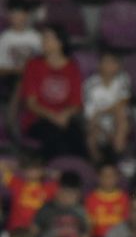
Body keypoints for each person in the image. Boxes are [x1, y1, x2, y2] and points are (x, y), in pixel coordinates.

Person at [16, 25, 85, 160]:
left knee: (77, 139)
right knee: (55, 140)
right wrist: (53, 116)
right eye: (43, 38)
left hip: (64, 119)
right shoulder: (33, 65)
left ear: (60, 42)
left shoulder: (72, 67)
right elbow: (31, 103)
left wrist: (65, 114)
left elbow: (76, 103)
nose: (43, 41)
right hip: (38, 120)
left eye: (47, 38)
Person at [83, 50, 131, 163]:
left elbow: (123, 102)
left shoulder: (123, 79)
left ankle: (119, 155)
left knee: (121, 116)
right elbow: (91, 113)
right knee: (92, 131)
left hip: (117, 121)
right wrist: (104, 129)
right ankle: (96, 162)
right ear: (99, 65)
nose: (110, 66)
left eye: (113, 63)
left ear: (118, 66)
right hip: (97, 122)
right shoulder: (90, 83)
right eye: (106, 62)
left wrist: (103, 111)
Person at [33, 170, 89, 237]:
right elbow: (33, 234)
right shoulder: (46, 209)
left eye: (74, 194)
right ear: (59, 190)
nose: (71, 197)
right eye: (68, 193)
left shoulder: (81, 212)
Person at [1, 154, 58, 231]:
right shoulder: (16, 183)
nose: (32, 172)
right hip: (15, 229)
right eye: (28, 169)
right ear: (23, 171)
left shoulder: (50, 187)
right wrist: (17, 167)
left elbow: (65, 179)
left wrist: (47, 172)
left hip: (37, 231)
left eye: (35, 169)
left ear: (42, 170)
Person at [0, 0, 41, 92]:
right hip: (11, 77)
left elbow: (43, 60)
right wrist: (18, 70)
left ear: (26, 16)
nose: (16, 18)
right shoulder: (4, 38)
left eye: (19, 14)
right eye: (13, 15)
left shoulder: (36, 37)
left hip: (33, 77)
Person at [84, 162, 131, 237]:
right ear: (98, 177)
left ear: (117, 177)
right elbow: (88, 226)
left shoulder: (124, 198)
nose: (108, 179)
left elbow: (128, 223)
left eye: (111, 176)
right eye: (104, 176)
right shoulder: (91, 199)